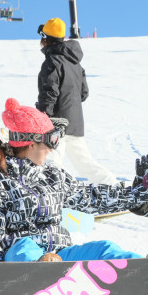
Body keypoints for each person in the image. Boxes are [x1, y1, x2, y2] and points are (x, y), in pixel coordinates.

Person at [0, 98, 148, 263]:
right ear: (31, 143)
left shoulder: (52, 175)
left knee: (104, 248)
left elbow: (90, 197)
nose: (51, 149)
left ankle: (146, 270)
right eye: (50, 141)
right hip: (18, 262)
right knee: (23, 247)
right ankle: (42, 271)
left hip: (59, 256)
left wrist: (136, 193)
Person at [36, 17, 119, 186]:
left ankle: (51, 193)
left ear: (45, 38)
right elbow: (84, 93)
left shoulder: (52, 62)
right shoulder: (76, 64)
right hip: (74, 122)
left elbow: (49, 92)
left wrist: (44, 117)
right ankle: (111, 185)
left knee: (51, 159)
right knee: (83, 162)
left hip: (55, 122)